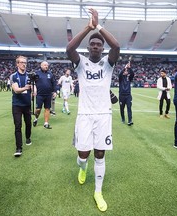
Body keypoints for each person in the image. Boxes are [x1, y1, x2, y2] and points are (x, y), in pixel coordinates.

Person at [66, 8, 120, 212]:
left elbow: (116, 45)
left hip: (104, 115)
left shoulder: (108, 64)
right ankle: (83, 167)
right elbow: (69, 49)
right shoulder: (81, 63)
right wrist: (87, 28)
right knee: (82, 155)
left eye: (99, 44)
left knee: (100, 154)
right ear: (88, 47)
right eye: (93, 44)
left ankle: (98, 191)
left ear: (102, 48)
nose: (96, 46)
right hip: (84, 116)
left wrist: (97, 26)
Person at [10, 56, 32, 157]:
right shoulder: (13, 76)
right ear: (17, 64)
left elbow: (33, 90)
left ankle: (28, 137)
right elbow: (16, 90)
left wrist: (34, 90)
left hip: (27, 104)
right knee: (18, 126)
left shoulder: (30, 76)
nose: (24, 64)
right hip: (17, 105)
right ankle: (19, 148)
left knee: (28, 123)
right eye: (22, 62)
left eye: (25, 63)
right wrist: (26, 88)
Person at [32, 61, 57, 129]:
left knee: (47, 109)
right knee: (38, 109)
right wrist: (33, 89)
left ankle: (46, 123)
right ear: (41, 66)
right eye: (45, 65)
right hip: (39, 94)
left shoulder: (50, 74)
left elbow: (54, 83)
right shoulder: (36, 73)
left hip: (48, 94)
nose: (46, 66)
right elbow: (32, 82)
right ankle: (36, 118)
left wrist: (55, 91)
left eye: (47, 65)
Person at [118, 61, 134, 125]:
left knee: (129, 108)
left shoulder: (129, 78)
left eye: (127, 71)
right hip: (121, 95)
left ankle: (130, 120)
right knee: (122, 108)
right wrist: (124, 68)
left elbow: (132, 74)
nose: (126, 71)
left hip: (128, 95)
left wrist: (129, 68)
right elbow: (120, 74)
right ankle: (123, 118)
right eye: (125, 71)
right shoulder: (120, 78)